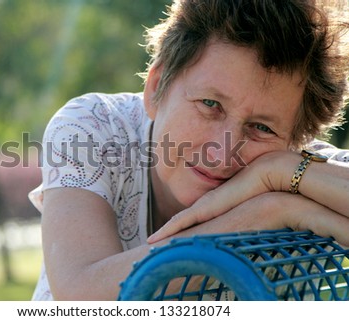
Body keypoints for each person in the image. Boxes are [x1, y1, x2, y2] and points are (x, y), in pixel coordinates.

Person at [29, 0, 349, 300]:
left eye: (262, 128)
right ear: (156, 88)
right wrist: (266, 213)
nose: (222, 154)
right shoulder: (93, 127)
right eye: (210, 105)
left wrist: (277, 173)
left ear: (295, 140)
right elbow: (79, 297)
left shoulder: (296, 171)